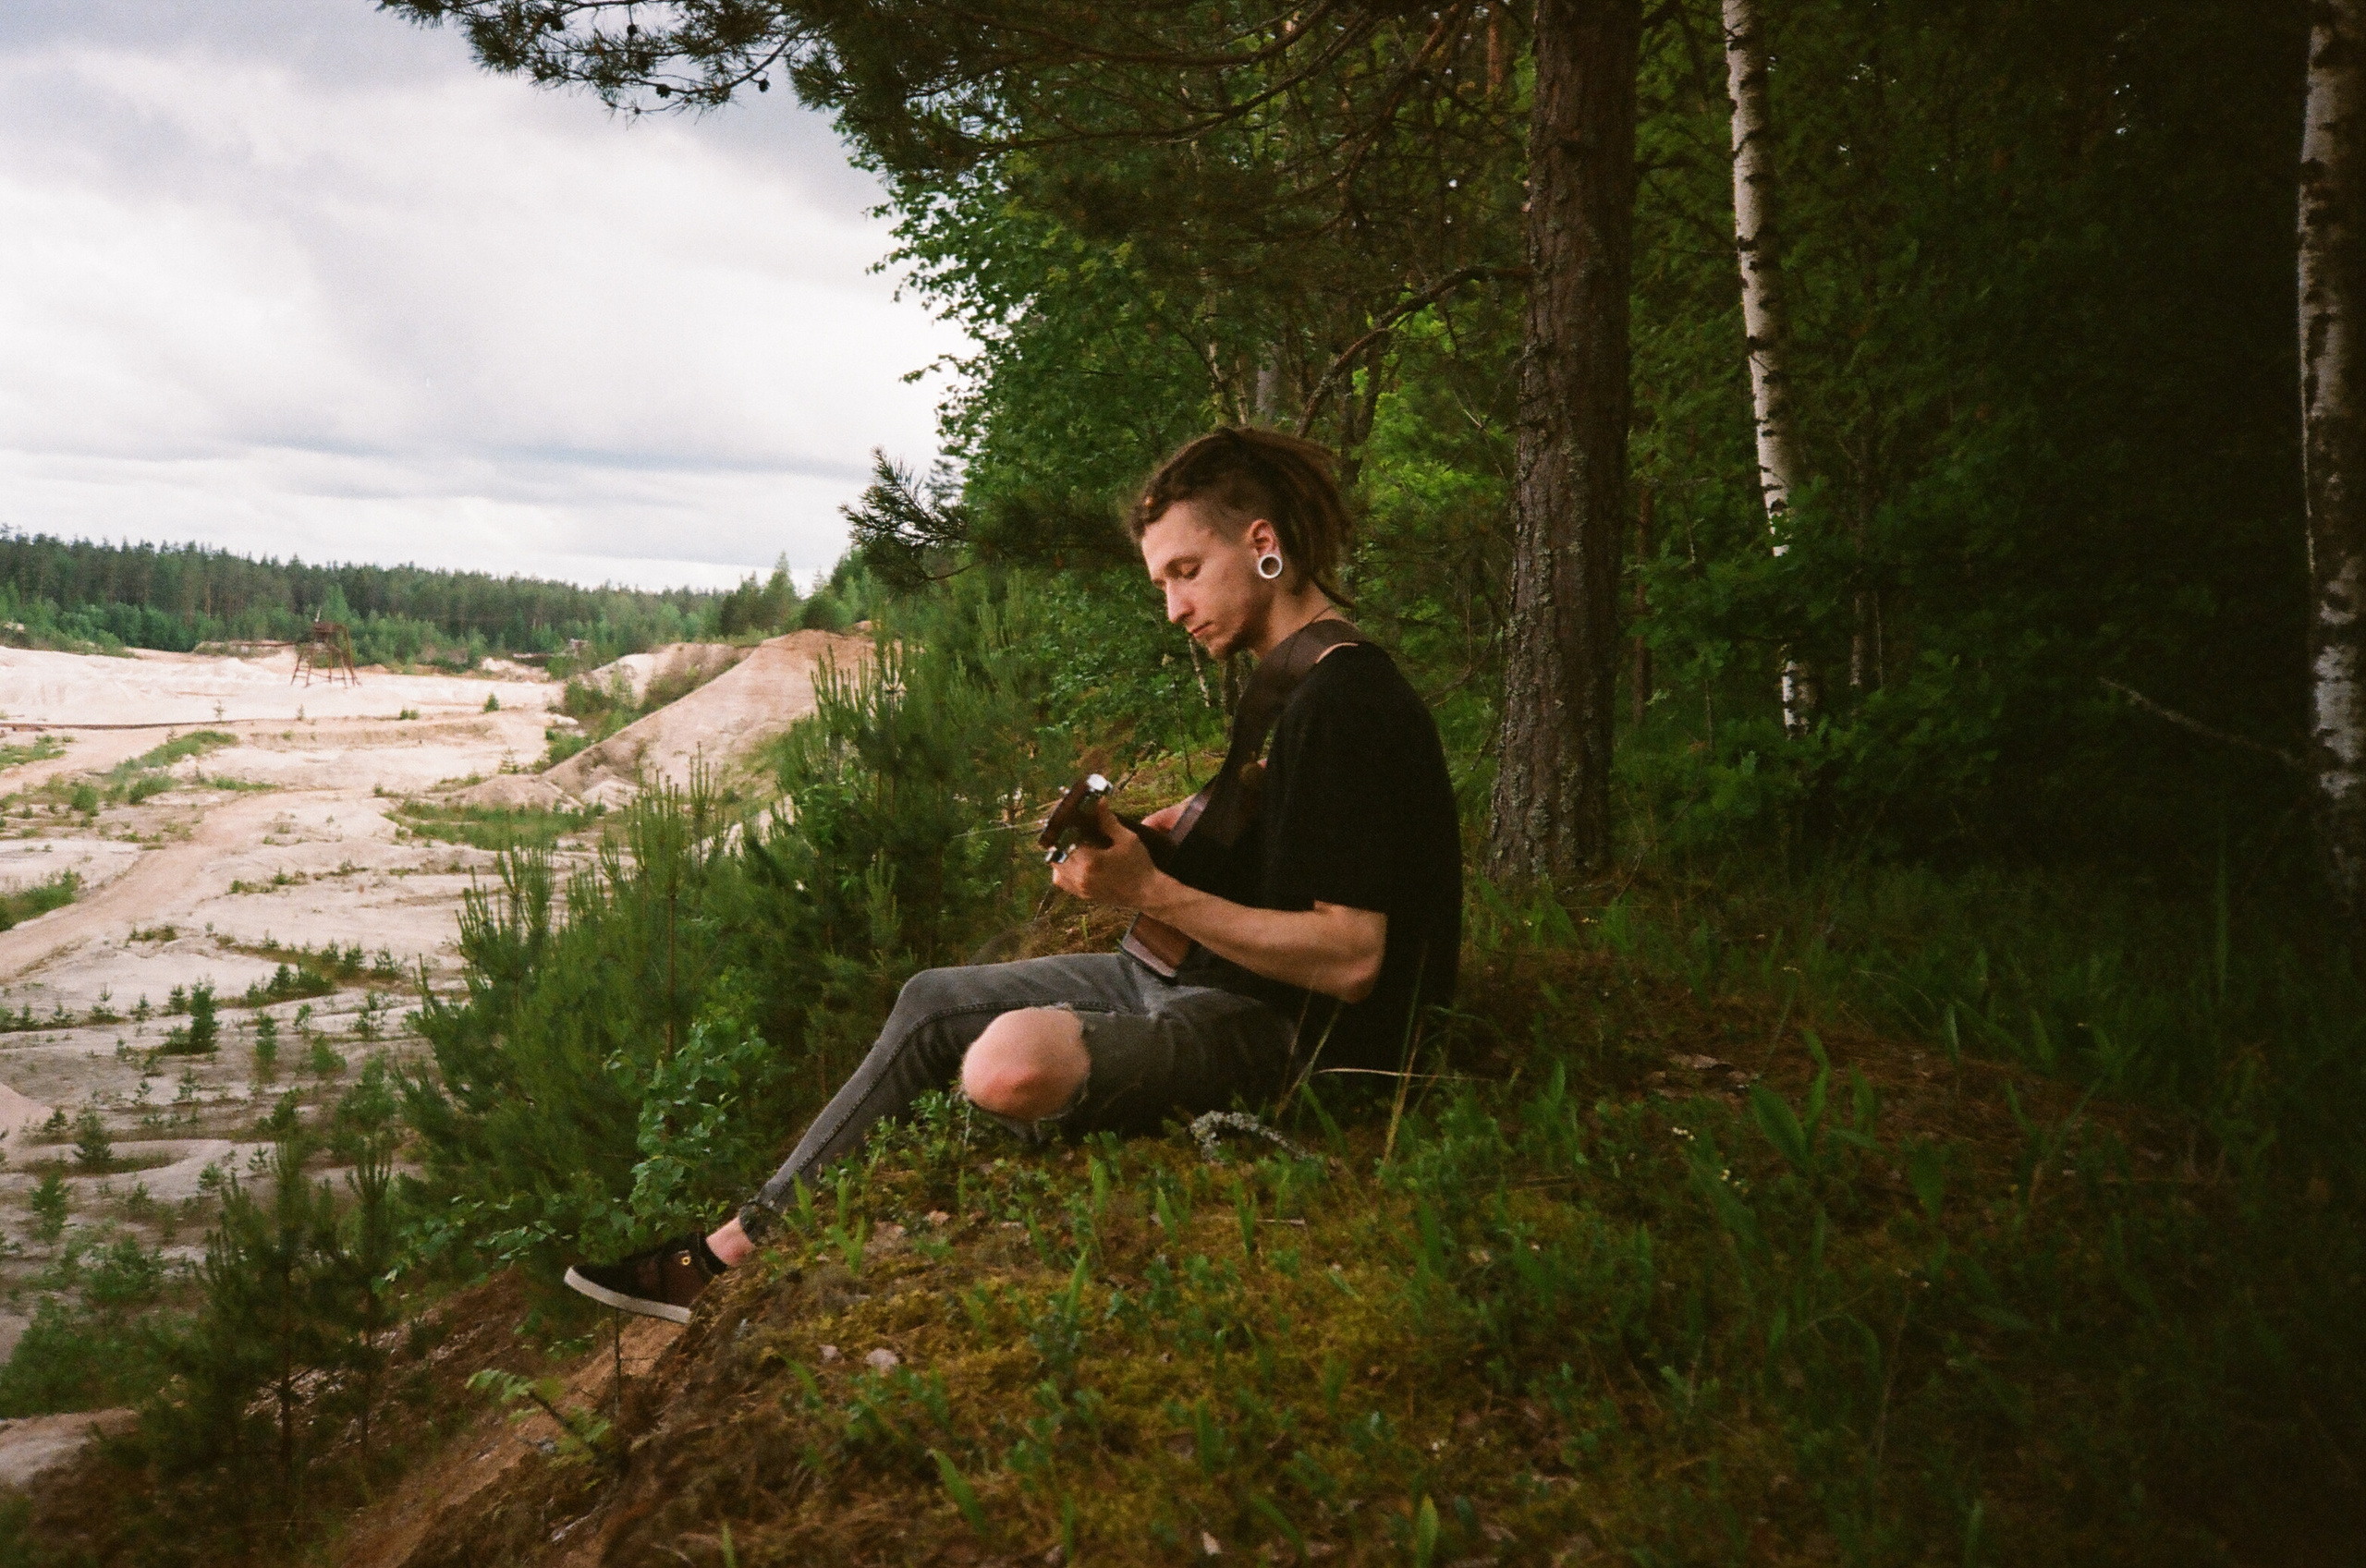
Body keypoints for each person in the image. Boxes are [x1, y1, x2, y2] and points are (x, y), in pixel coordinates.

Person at [562, 427, 1461, 1324]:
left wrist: (1147, 889)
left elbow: (1351, 955)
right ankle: (723, 1254)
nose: (1174, 608)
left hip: (1295, 1039)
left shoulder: (1344, 701)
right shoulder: (1285, 684)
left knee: (1004, 1062)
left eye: (1186, 570)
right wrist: (1155, 834)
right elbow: (1283, 838)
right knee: (929, 997)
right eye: (1161, 584)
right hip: (1198, 974)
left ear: (1262, 545)